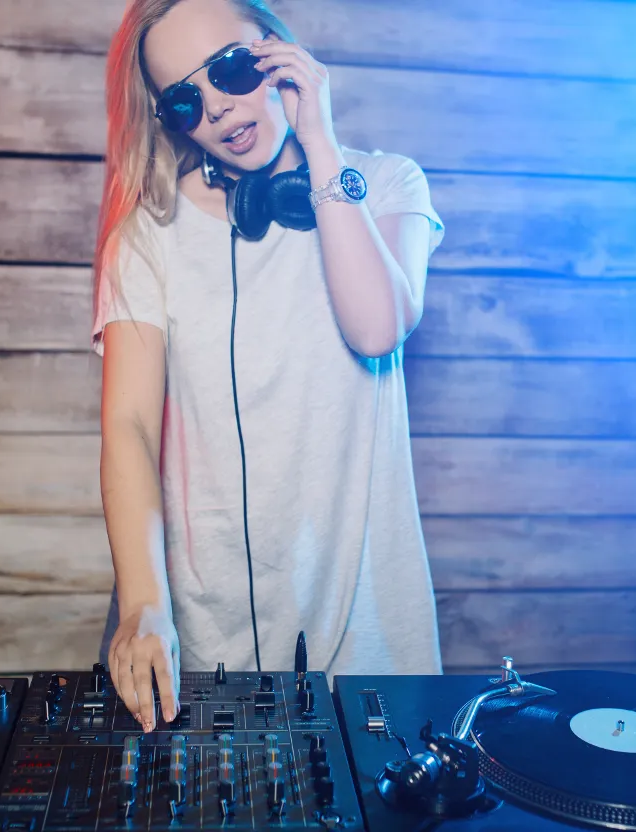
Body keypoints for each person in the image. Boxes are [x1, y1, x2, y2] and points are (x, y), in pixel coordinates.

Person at [92, 0, 445, 733]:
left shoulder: (384, 187)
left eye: (233, 68)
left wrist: (320, 143)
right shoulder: (148, 238)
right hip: (205, 631)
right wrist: (143, 603)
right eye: (188, 99)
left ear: (280, 54)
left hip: (370, 626)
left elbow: (376, 327)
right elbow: (128, 424)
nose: (219, 107)